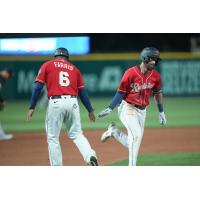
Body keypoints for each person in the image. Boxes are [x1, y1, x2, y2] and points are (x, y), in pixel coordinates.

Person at [27, 47, 98, 166]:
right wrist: (90, 110)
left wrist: (32, 106)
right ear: (67, 57)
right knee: (77, 134)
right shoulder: (75, 69)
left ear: (55, 56)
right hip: (73, 102)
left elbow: (37, 87)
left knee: (53, 138)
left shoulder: (48, 65)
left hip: (56, 102)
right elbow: (82, 93)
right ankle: (90, 156)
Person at [98, 47, 167, 166]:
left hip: (142, 111)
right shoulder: (130, 73)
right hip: (127, 107)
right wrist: (110, 107)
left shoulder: (155, 76)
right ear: (145, 58)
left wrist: (161, 112)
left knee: (134, 141)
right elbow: (120, 92)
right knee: (136, 136)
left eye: (156, 60)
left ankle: (114, 132)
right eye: (153, 59)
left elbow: (158, 94)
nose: (155, 62)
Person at [0, 68, 14, 141]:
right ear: (6, 73)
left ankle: (1, 135)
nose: (8, 78)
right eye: (9, 76)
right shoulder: (1, 79)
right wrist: (2, 101)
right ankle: (1, 135)